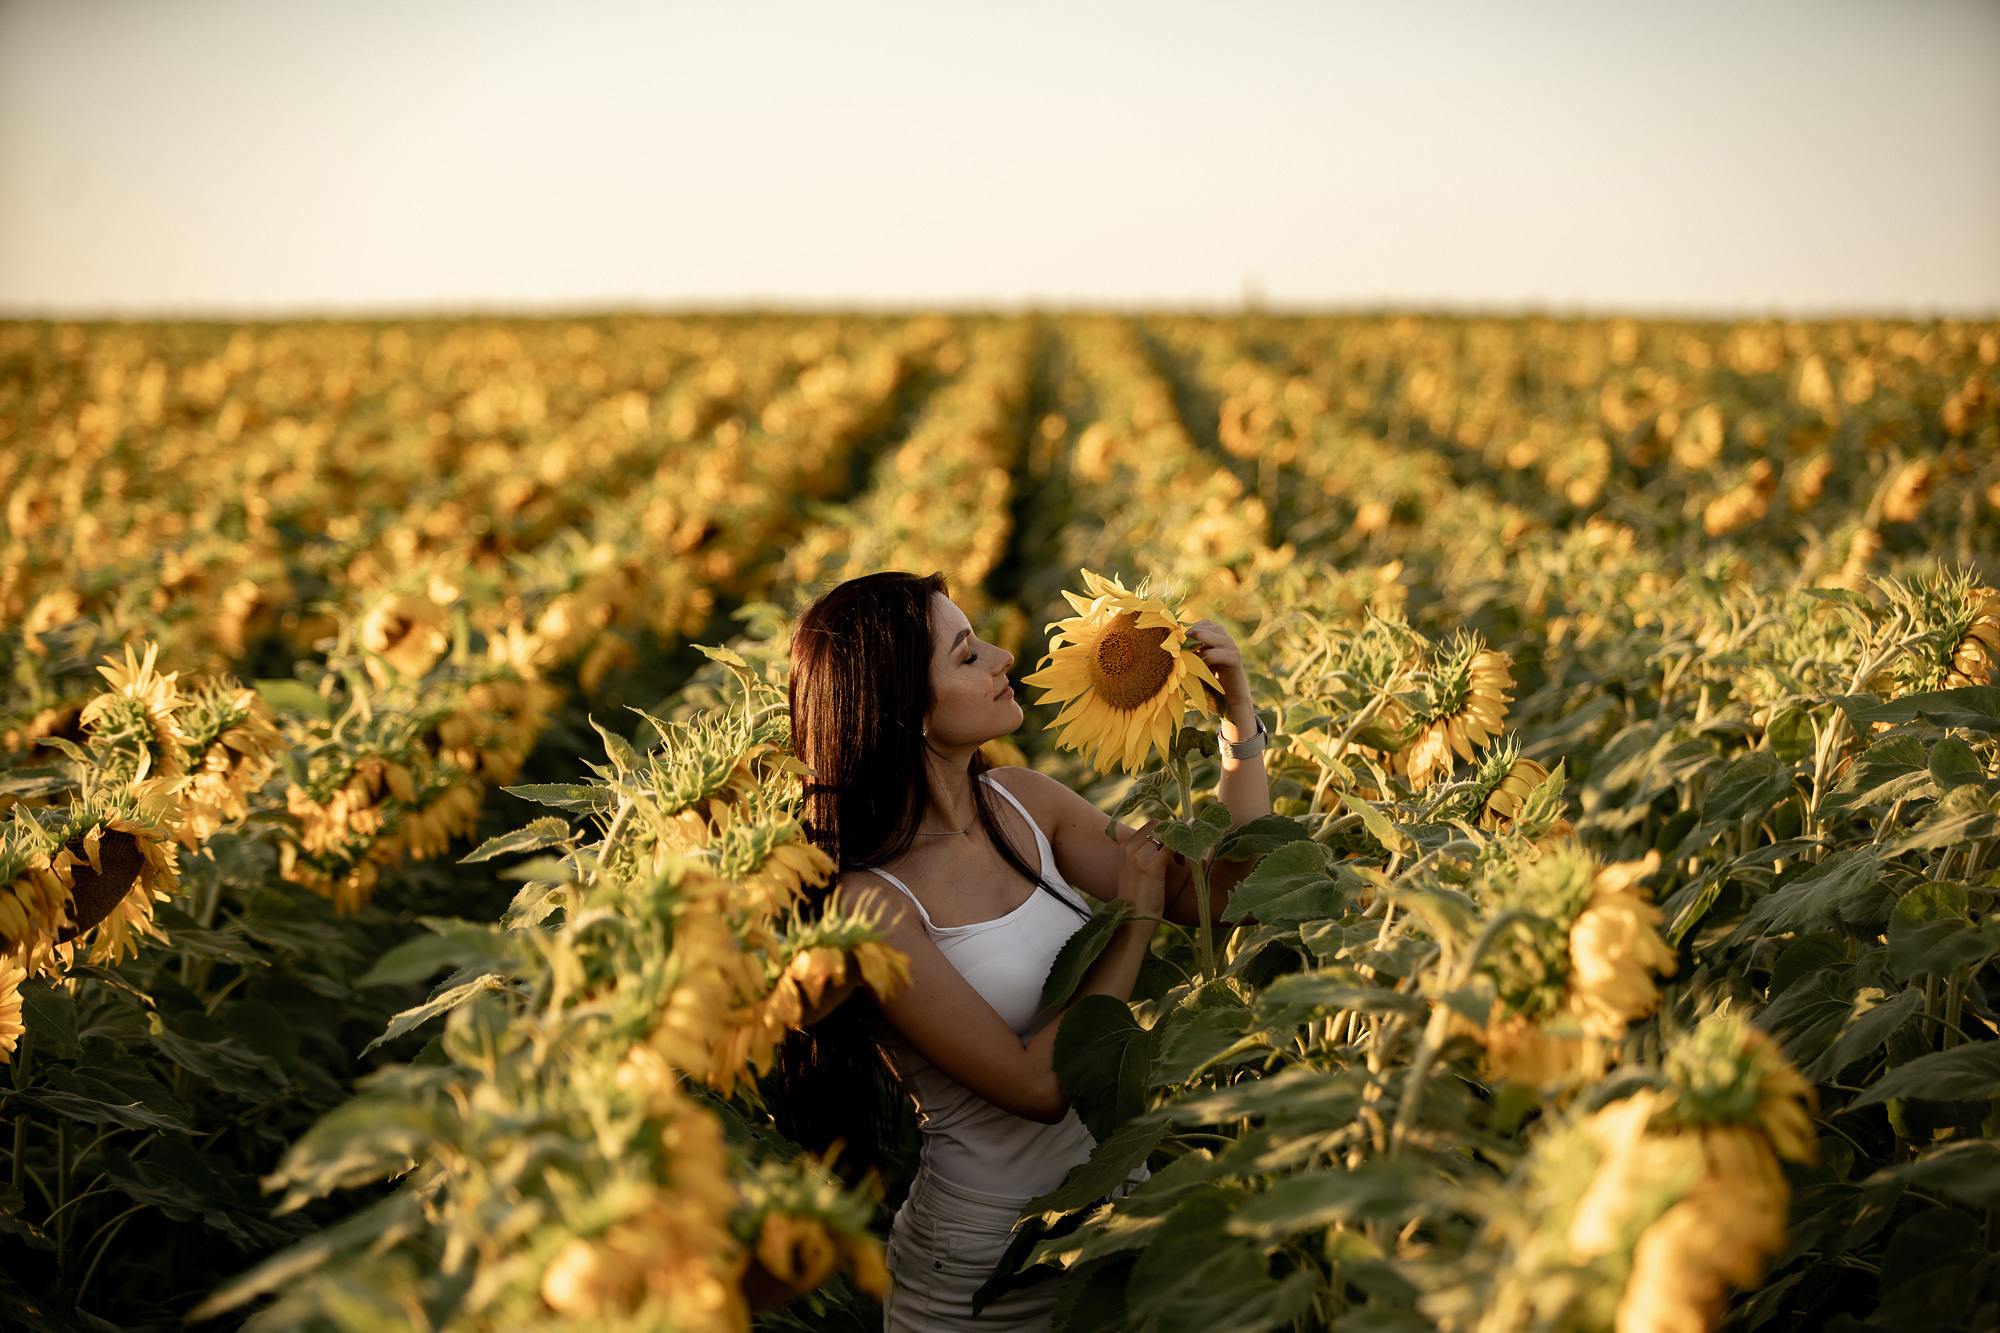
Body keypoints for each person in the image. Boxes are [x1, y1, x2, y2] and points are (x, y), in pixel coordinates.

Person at [779, 571, 1271, 1332]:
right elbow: (1038, 1087)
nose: (1005, 655)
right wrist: (1133, 918)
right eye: (967, 654)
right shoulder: (871, 905)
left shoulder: (1022, 803)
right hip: (981, 1273)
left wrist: (1236, 717)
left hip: (1110, 1219)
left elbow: (1218, 898)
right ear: (904, 709)